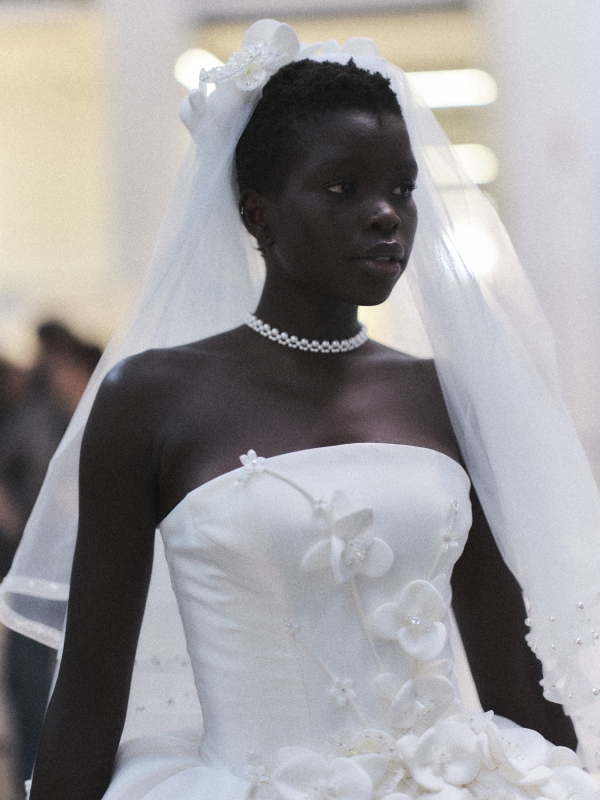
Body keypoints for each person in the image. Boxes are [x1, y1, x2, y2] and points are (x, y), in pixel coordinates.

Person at [3, 20, 600, 800]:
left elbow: (511, 679)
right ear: (259, 214)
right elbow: (87, 697)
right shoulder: (151, 400)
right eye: (343, 189)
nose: (386, 214)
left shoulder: (443, 396)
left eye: (402, 188)